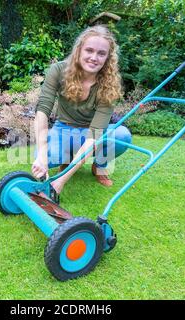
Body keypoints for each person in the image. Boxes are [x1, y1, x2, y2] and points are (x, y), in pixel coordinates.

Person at [32, 25, 132, 199]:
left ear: (108, 58)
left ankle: (99, 166)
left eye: (101, 53)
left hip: (92, 133)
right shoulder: (58, 70)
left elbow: (94, 135)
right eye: (89, 50)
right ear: (79, 50)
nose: (94, 57)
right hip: (63, 129)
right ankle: (66, 160)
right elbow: (42, 111)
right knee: (45, 157)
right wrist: (41, 156)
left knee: (122, 135)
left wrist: (59, 182)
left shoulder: (109, 84)